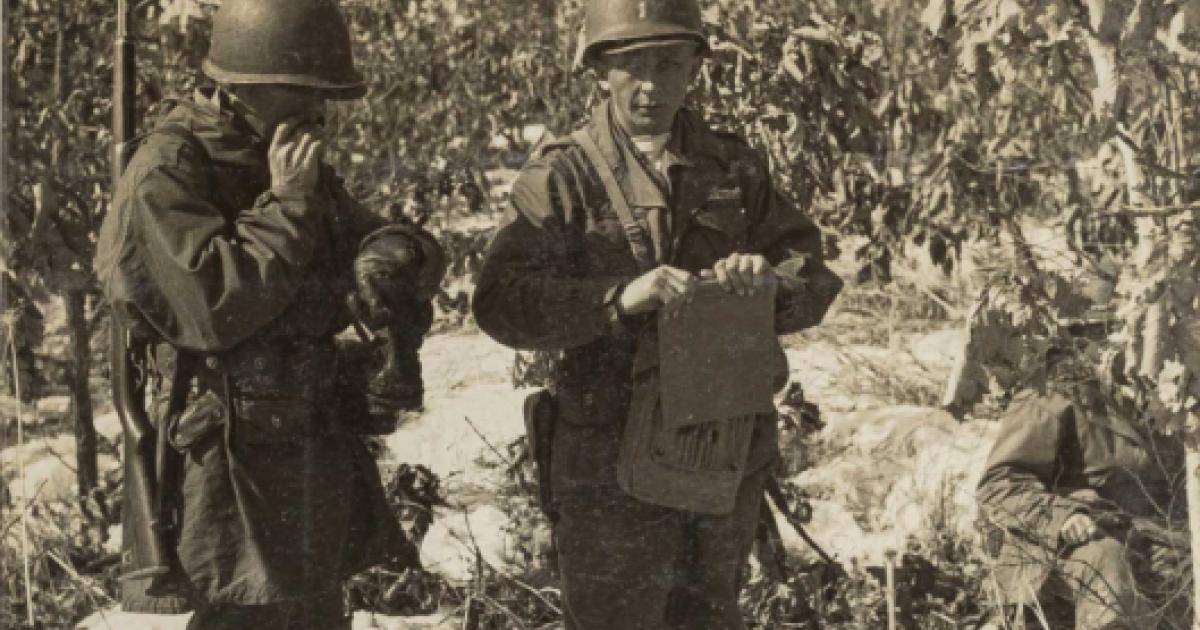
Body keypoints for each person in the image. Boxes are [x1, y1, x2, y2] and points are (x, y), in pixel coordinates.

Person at [472, 0, 842, 627]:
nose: (651, 86)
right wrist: (616, 300)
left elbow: (809, 271)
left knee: (707, 615)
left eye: (670, 65)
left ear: (697, 67)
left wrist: (766, 286)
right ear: (598, 71)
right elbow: (501, 302)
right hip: (606, 454)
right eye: (632, 66)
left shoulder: (732, 163)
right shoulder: (561, 175)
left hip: (718, 444)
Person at [95, 0, 444, 627]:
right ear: (245, 87)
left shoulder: (273, 149)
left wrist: (398, 253)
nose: (320, 114)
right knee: (246, 614)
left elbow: (363, 234)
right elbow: (211, 306)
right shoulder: (168, 170)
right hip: (227, 463)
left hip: (304, 442)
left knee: (312, 611)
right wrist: (285, 207)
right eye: (306, 94)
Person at [977, 330, 1191, 628]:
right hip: (1060, 546)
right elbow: (999, 485)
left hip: (1147, 539)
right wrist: (1064, 517)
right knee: (1107, 560)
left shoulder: (1167, 394)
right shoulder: (1050, 395)